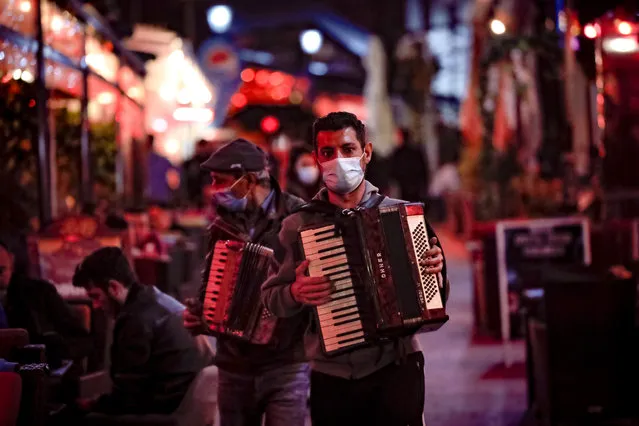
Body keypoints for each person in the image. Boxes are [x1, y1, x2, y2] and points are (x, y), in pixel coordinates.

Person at [262, 112, 448, 426]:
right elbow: (270, 297)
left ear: (366, 153)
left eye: (348, 150)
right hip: (333, 376)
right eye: (327, 153)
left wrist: (437, 272)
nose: (338, 160)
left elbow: (435, 298)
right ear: (317, 159)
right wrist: (295, 291)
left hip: (397, 365)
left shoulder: (403, 215)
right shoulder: (298, 226)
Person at [182, 138, 310, 426]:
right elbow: (211, 284)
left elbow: (320, 287)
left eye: (219, 181)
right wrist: (202, 314)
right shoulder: (221, 224)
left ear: (249, 180)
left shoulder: (300, 216)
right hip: (233, 365)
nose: (213, 189)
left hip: (286, 363)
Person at [72, 247, 204, 415]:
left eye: (96, 296)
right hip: (182, 401)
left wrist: (93, 405)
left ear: (114, 287)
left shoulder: (134, 320)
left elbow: (127, 397)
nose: (96, 306)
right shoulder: (152, 297)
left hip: (163, 411)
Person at [0, 240, 93, 368]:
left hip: (35, 374)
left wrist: (52, 354)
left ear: (11, 261)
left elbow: (81, 340)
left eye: (0, 271)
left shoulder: (39, 292)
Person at [145, 135, 179, 205]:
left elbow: (176, 170)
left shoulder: (158, 159)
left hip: (159, 196)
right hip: (157, 196)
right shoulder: (159, 159)